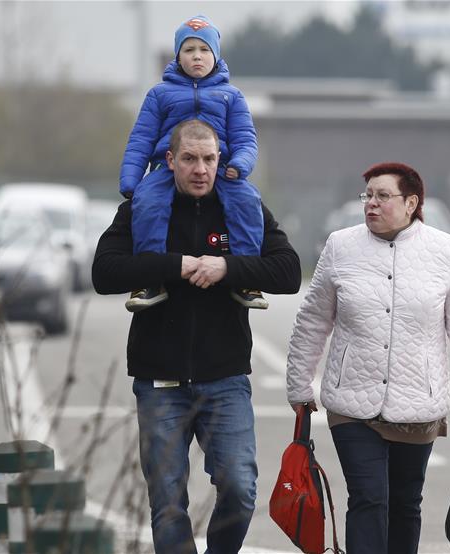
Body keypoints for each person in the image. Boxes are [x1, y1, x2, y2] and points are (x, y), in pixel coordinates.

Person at [93, 120, 302, 554]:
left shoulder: (241, 207)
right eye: (189, 158)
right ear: (170, 161)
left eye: (209, 159)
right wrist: (175, 265)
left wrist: (227, 268)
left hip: (224, 377)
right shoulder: (143, 209)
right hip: (159, 381)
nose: (201, 169)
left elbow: (288, 271)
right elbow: (104, 272)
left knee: (241, 489)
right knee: (167, 502)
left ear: (221, 160)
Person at [285, 162, 450, 554]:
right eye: (368, 195)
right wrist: (299, 382)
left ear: (411, 202)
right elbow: (313, 319)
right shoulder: (340, 246)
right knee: (367, 497)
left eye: (383, 196)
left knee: (404, 504)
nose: (372, 204)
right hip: (352, 402)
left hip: (418, 402)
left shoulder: (445, 252)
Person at [119, 14, 268, 311]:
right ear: (177, 56)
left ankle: (245, 278)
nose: (197, 56)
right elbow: (141, 141)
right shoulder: (159, 95)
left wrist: (240, 164)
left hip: (222, 169)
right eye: (188, 50)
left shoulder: (232, 97)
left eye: (204, 50)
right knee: (148, 204)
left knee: (248, 202)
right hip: (167, 169)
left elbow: (245, 139)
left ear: (216, 55)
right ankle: (150, 279)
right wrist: (131, 181)